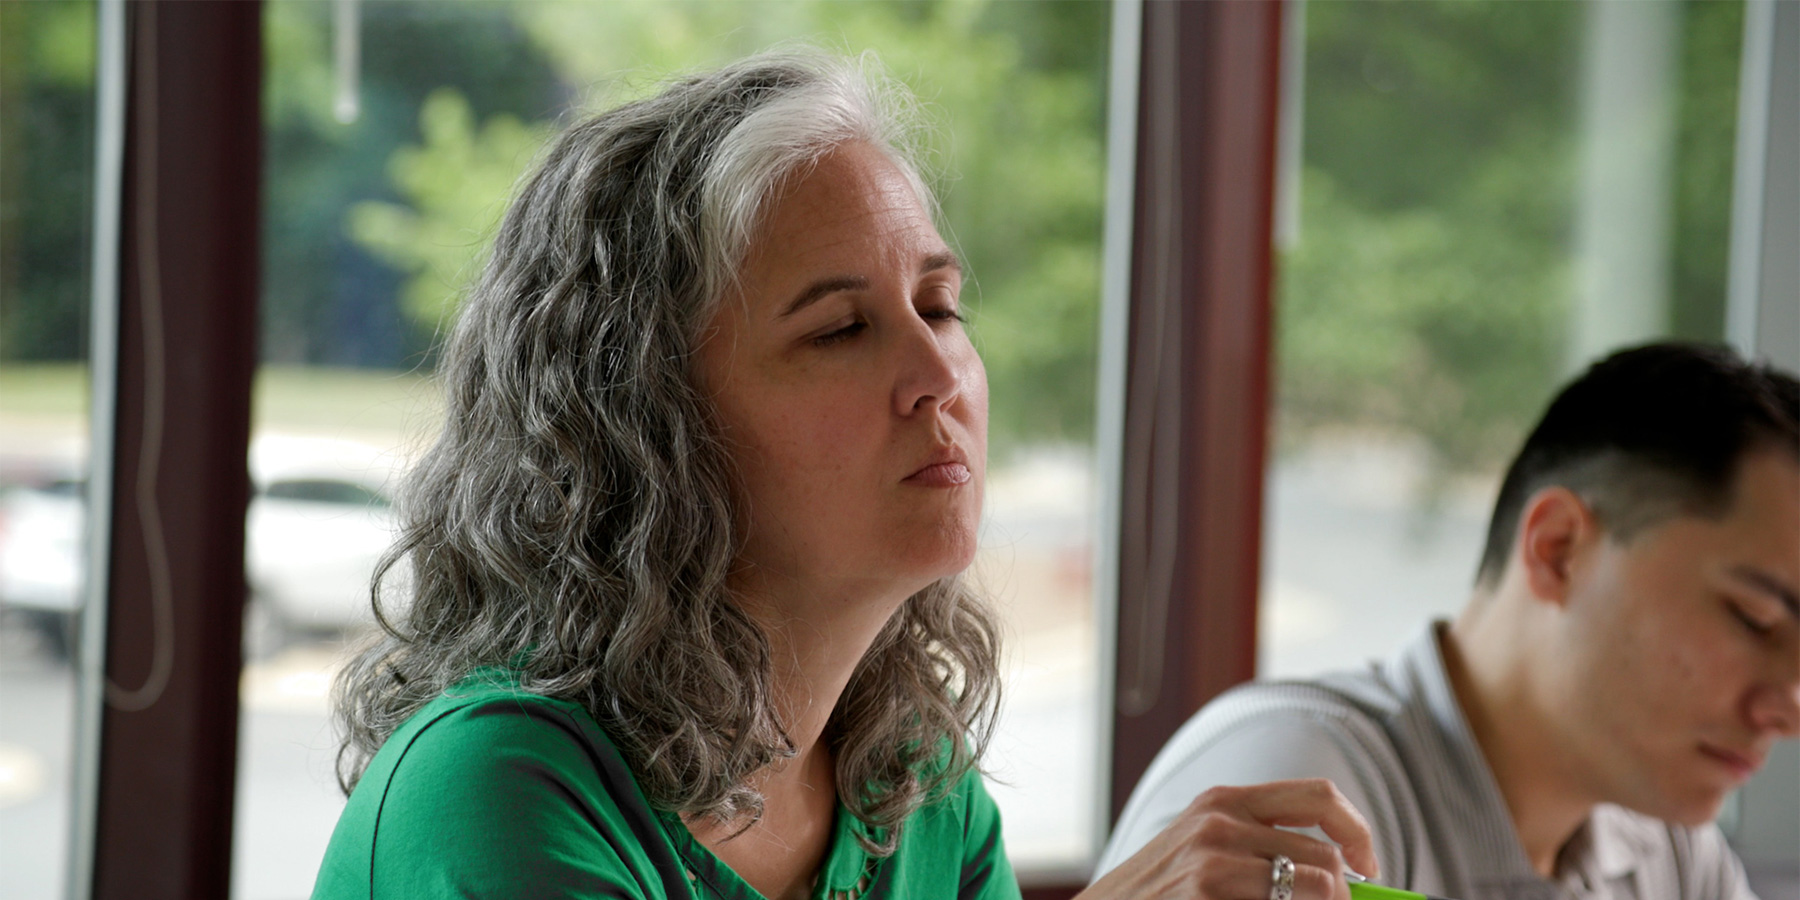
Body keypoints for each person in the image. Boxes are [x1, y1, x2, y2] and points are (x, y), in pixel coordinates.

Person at [311, 52, 1377, 900]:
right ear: (645, 423)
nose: (936, 374)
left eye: (942, 306)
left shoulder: (918, 794)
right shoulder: (494, 795)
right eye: (841, 329)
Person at [1099, 342, 1800, 900]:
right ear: (1558, 549)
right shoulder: (1301, 798)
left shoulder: (1668, 850)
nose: (1789, 708)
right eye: (1756, 618)